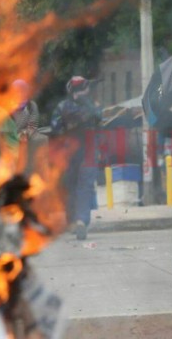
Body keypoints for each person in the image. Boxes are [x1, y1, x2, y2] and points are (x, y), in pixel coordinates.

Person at [51, 76, 102, 240]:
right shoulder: (91, 106)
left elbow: (55, 129)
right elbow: (99, 118)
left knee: (71, 186)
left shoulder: (61, 107)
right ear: (83, 90)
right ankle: (80, 220)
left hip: (70, 151)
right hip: (86, 150)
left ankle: (74, 222)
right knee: (83, 187)